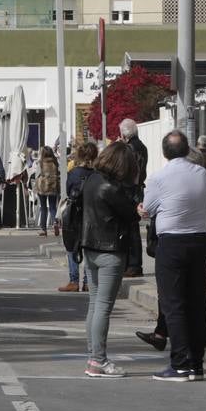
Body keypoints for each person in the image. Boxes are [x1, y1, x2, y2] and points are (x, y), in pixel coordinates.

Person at [143, 131, 206, 382]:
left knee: (173, 305)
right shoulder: (202, 174)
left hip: (172, 242)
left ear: (164, 152)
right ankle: (196, 363)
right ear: (186, 150)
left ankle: (181, 363)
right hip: (198, 240)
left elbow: (148, 208)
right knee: (195, 302)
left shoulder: (159, 177)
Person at [78, 142, 140, 378]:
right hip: (110, 250)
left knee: (94, 305)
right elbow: (131, 214)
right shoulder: (111, 188)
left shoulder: (92, 180)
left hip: (90, 247)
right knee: (103, 307)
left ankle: (93, 355)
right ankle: (99, 360)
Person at [60, 142, 97, 291]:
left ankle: (74, 280)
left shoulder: (73, 173)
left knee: (71, 246)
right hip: (92, 214)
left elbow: (69, 192)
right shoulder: (97, 174)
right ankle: (88, 281)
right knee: (88, 247)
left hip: (74, 214)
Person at [119, 118, 148, 277]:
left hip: (130, 191)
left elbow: (126, 171)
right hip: (137, 190)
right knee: (132, 228)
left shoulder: (130, 148)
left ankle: (133, 264)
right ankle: (133, 264)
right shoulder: (141, 146)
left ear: (124, 133)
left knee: (130, 229)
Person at [33, 147, 61, 237]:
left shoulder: (41, 163)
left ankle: (43, 229)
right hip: (53, 186)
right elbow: (58, 173)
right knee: (53, 207)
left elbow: (37, 174)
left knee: (43, 207)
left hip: (43, 187)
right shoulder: (55, 162)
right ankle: (55, 223)